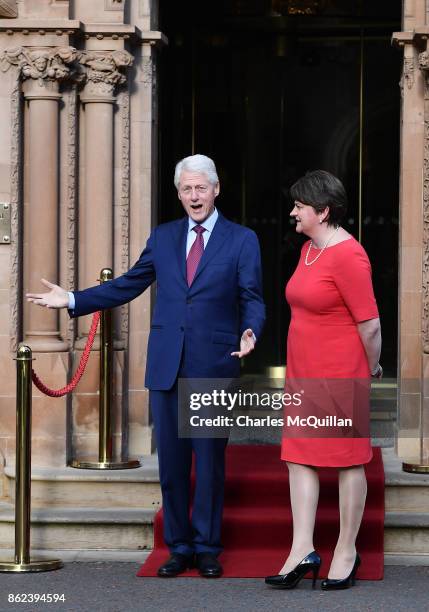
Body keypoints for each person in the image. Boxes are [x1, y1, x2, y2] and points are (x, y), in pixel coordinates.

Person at [27, 154, 265, 578]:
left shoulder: (242, 239)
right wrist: (75, 300)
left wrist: (251, 331)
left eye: (201, 188)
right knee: (172, 465)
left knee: (209, 462)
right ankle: (179, 546)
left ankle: (208, 546)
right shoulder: (164, 236)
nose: (194, 196)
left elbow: (252, 298)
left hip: (214, 364)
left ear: (216, 190)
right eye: (186, 189)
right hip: (166, 365)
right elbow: (129, 284)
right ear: (179, 194)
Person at [265, 170, 381, 591]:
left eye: (299, 206)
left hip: (342, 374)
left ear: (323, 211)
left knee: (349, 459)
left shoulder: (350, 255)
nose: (293, 211)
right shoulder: (309, 250)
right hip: (303, 374)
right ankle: (302, 550)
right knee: (299, 455)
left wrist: (369, 370)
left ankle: (346, 550)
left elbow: (369, 325)